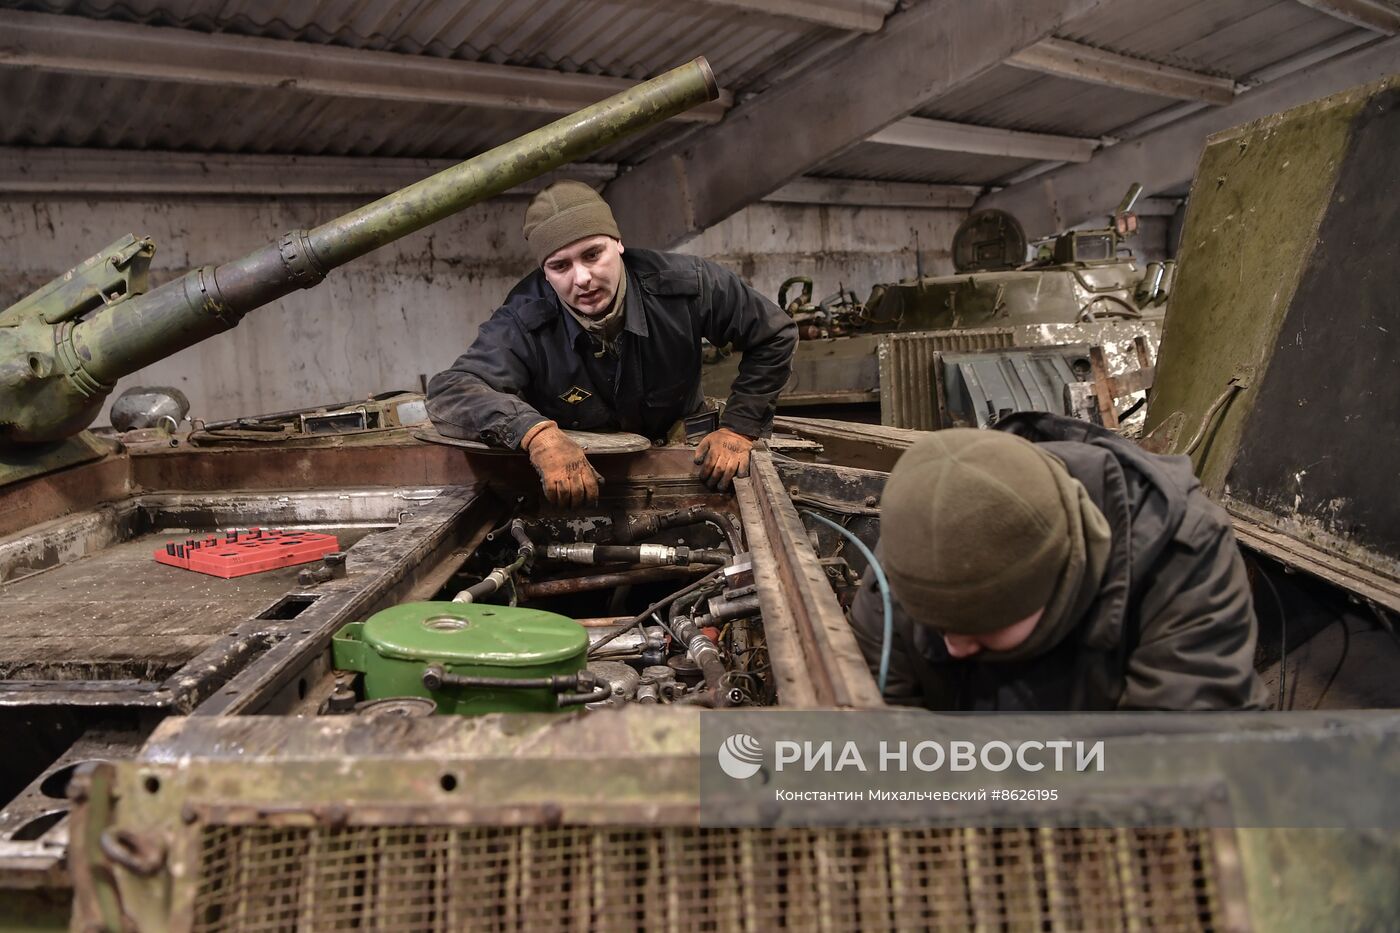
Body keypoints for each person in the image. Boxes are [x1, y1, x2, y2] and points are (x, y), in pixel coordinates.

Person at [849, 413, 1269, 711]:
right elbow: (886, 733)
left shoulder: (1180, 556)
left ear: (1058, 578)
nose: (955, 646)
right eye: (938, 627)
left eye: (978, 628)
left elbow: (1177, 758)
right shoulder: (910, 558)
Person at [426, 180, 796, 506]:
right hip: (580, 484)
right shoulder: (525, 320)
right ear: (545, 272)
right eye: (561, 266)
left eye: (592, 254)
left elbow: (773, 334)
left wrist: (739, 428)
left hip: (687, 464)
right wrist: (536, 435)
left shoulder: (687, 285)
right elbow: (452, 390)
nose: (582, 278)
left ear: (618, 244)